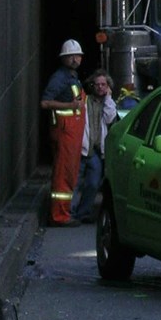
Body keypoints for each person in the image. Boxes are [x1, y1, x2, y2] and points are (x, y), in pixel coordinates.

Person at [40, 39, 88, 227]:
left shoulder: (72, 76)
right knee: (63, 174)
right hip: (65, 131)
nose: (75, 59)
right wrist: (70, 105)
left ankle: (64, 212)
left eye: (77, 56)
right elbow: (45, 102)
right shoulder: (60, 78)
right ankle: (59, 215)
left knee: (69, 174)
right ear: (64, 58)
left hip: (72, 132)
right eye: (71, 56)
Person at [71, 70, 117, 223]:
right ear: (92, 86)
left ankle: (82, 213)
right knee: (74, 183)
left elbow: (110, 118)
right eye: (97, 84)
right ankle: (70, 213)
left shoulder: (108, 103)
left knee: (92, 184)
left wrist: (109, 97)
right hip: (81, 148)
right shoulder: (85, 100)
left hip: (96, 152)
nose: (100, 87)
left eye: (103, 84)